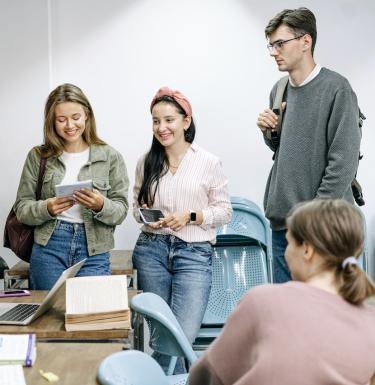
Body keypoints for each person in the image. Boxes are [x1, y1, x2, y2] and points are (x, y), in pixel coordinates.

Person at [189, 199, 375, 385]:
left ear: (307, 250)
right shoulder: (370, 321)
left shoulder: (263, 301)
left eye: (288, 243)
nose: (286, 253)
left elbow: (205, 375)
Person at [256, 7, 361, 283]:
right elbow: (286, 150)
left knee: (328, 318)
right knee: (286, 318)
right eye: (271, 44)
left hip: (323, 228)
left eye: (280, 43)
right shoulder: (278, 89)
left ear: (305, 41)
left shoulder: (337, 89)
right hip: (283, 227)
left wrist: (311, 219)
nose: (273, 51)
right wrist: (270, 132)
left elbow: (343, 163)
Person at [132, 86, 232, 374]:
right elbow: (135, 209)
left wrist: (191, 215)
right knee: (163, 336)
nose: (161, 128)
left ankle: (153, 379)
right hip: (151, 251)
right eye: (155, 121)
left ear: (186, 121)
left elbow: (224, 211)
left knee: (181, 336)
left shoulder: (208, 162)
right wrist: (147, 218)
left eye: (169, 120)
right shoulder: (146, 162)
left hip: (194, 254)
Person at [14, 83, 129, 290]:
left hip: (94, 249)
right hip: (49, 247)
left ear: (87, 115)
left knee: (89, 316)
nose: (69, 125)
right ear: (51, 121)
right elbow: (22, 209)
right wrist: (47, 208)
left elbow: (121, 211)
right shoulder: (38, 157)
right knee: (48, 317)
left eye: (75, 117)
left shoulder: (110, 156)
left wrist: (100, 204)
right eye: (61, 119)